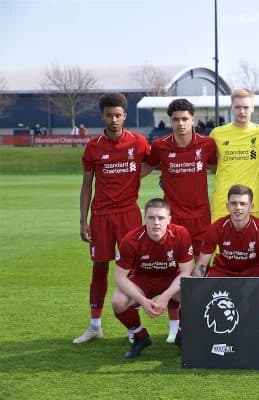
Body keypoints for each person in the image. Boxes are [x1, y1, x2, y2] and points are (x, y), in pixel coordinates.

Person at [74, 93, 150, 344]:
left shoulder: (138, 143)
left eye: (118, 115)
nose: (114, 119)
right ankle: (95, 326)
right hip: (101, 216)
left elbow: (155, 163)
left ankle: (133, 328)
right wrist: (83, 220)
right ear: (103, 116)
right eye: (109, 115)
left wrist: (134, 178)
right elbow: (87, 185)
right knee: (99, 267)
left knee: (133, 270)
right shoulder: (93, 147)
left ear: (125, 116)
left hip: (129, 214)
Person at [144, 98, 217, 342]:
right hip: (172, 221)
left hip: (201, 219)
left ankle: (198, 322)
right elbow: (147, 167)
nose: (180, 123)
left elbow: (220, 168)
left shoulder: (207, 145)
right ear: (169, 121)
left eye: (185, 119)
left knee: (199, 272)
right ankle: (175, 327)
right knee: (175, 271)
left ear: (193, 120)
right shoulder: (161, 146)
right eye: (175, 119)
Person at [112, 198, 194, 359]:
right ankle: (140, 336)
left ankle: (182, 337)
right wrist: (142, 301)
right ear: (145, 218)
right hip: (143, 280)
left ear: (169, 219)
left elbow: (186, 272)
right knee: (118, 302)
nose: (156, 222)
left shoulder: (181, 234)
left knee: (194, 296)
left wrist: (165, 296)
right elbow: (120, 278)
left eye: (161, 218)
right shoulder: (131, 240)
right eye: (151, 218)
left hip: (171, 279)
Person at [210, 89, 259, 221]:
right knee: (222, 240)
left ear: (252, 108)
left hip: (253, 202)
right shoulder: (217, 134)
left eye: (246, 107)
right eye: (237, 107)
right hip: (223, 201)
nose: (242, 111)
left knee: (253, 241)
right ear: (231, 108)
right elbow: (210, 164)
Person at [196, 185, 259, 277]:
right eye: (234, 203)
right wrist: (196, 283)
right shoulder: (216, 228)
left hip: (252, 275)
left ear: (251, 207)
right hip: (222, 273)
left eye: (243, 203)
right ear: (227, 206)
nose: (238, 207)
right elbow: (201, 264)